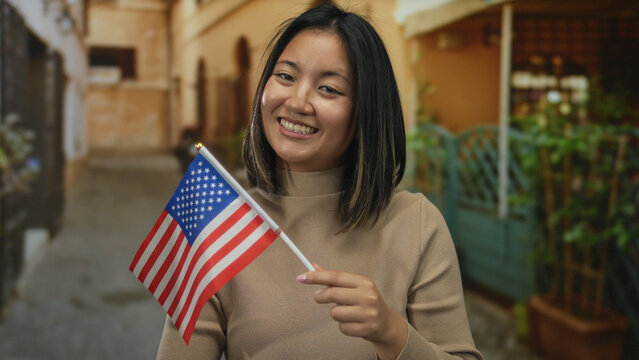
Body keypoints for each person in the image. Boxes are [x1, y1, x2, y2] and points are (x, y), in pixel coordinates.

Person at [157, 4, 481, 360]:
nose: (297, 101)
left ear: (365, 112)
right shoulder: (219, 225)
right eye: (285, 76)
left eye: (328, 88)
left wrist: (393, 334)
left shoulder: (416, 224)